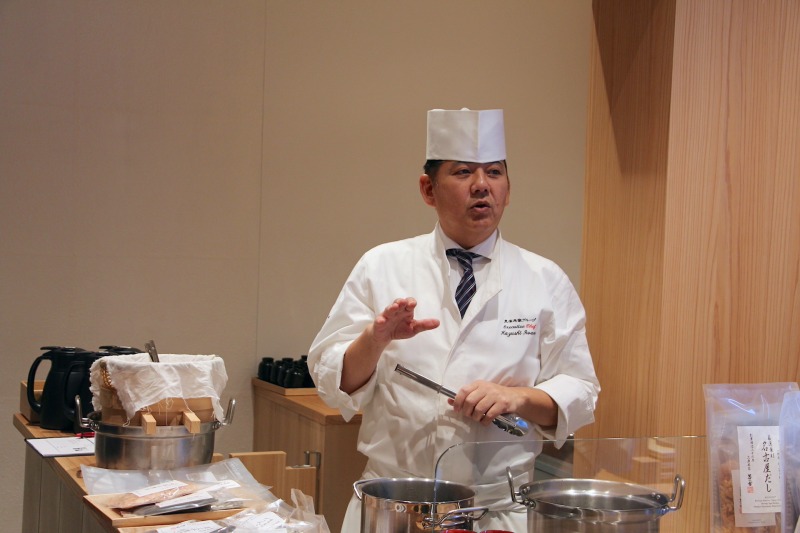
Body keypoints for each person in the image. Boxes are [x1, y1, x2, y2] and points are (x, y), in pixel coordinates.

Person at [308, 108, 600, 532]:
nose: (482, 185)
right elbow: (331, 381)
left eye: (494, 173)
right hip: (395, 507)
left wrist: (517, 398)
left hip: (498, 512)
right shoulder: (382, 265)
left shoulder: (544, 278)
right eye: (463, 172)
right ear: (428, 189)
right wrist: (375, 339)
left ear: (508, 189)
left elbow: (582, 390)